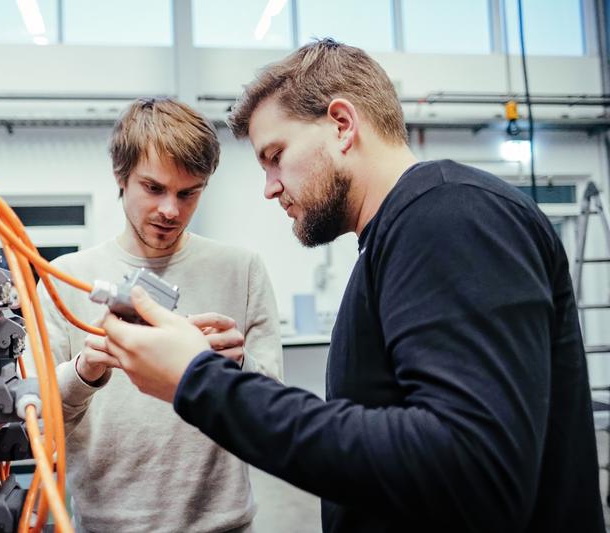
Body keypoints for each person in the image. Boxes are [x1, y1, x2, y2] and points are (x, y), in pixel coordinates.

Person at [97, 40, 604, 532]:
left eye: (275, 155)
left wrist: (199, 380)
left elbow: (474, 471)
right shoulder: (397, 240)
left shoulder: (451, 217)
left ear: (342, 125)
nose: (269, 186)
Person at [36, 97, 283, 532]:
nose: (171, 210)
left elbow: (276, 415)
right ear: (121, 176)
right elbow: (36, 419)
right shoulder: (67, 279)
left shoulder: (241, 270)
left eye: (188, 193)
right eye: (154, 188)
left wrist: (238, 368)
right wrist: (85, 371)